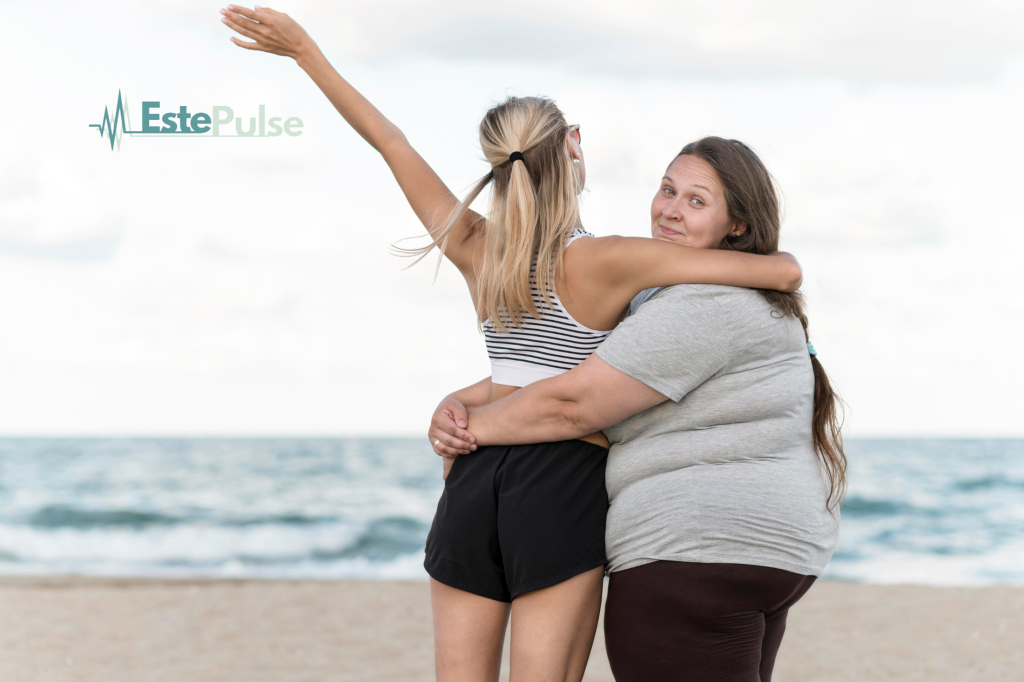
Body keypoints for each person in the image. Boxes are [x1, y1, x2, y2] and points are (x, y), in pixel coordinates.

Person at [220, 8, 804, 681]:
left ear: (497, 164)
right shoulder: (613, 260)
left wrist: (307, 54)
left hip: (472, 482)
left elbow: (390, 141)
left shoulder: (474, 246)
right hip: (563, 485)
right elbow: (781, 271)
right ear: (574, 145)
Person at [432, 138, 846, 682]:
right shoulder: (705, 296)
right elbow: (565, 368)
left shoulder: (701, 303)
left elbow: (571, 403)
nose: (671, 209)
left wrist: (470, 432)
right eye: (667, 190)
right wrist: (464, 400)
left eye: (697, 201)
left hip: (694, 551)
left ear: (738, 226)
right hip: (761, 554)